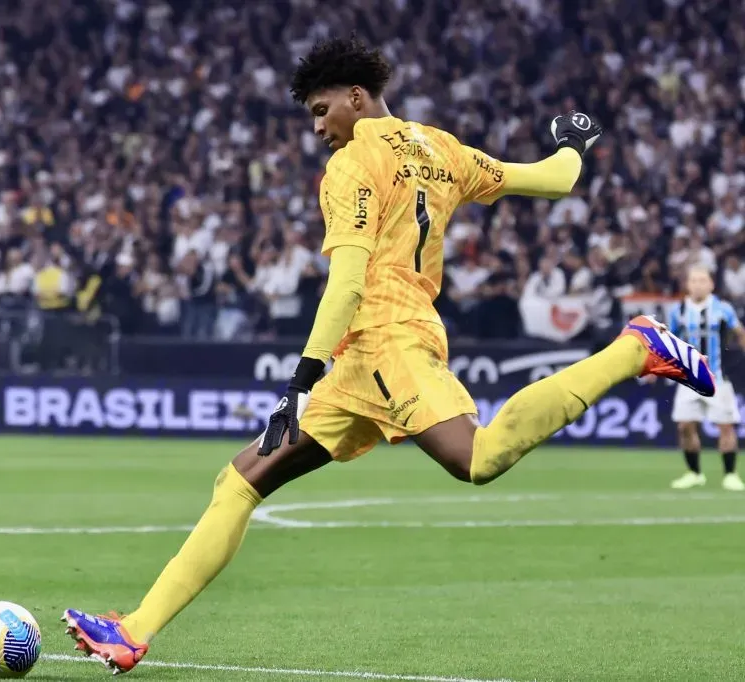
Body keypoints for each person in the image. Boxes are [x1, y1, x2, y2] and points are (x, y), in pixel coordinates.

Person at [62, 37, 716, 673]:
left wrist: (299, 378)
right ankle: (133, 632)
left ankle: (636, 349)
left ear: (355, 96)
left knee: (477, 459)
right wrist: (575, 140)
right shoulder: (442, 148)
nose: (317, 128)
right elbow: (551, 180)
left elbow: (347, 280)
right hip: (370, 350)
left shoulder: (351, 165)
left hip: (384, 335)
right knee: (240, 480)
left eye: (322, 112)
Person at [661, 266, 745, 491]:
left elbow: (739, 333)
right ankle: (694, 473)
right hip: (689, 379)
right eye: (694, 280)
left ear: (711, 284)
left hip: (718, 378)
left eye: (702, 280)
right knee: (684, 426)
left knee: (725, 426)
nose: (698, 284)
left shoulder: (723, 309)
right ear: (687, 285)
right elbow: (669, 340)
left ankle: (730, 474)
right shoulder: (678, 310)